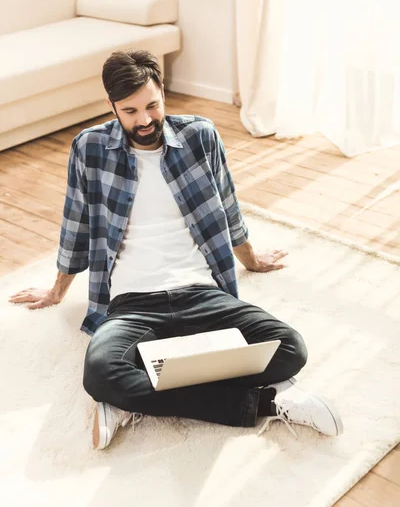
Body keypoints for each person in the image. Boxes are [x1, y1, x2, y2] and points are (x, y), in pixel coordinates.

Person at [9, 50, 343, 449]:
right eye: (130, 111)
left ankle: (129, 402)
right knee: (100, 374)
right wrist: (57, 291)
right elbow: (75, 224)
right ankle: (268, 403)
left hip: (201, 293)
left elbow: (228, 205)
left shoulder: (199, 136)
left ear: (163, 93)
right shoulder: (90, 148)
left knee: (289, 347)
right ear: (111, 106)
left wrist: (251, 260)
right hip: (132, 303)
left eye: (152, 105)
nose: (145, 120)